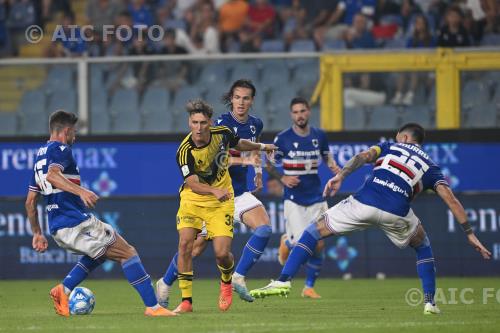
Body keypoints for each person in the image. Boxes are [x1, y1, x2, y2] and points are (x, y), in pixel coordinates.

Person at [251, 123, 491, 314]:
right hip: (397, 212)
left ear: (404, 138)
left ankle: (284, 281)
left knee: (313, 232)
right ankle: (430, 303)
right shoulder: (431, 166)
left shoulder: (389, 146)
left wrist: (340, 176)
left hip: (363, 202)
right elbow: (451, 200)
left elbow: (363, 157)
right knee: (423, 246)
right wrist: (470, 234)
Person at [25, 110, 176, 317]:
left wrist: (36, 232)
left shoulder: (39, 158)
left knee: (98, 255)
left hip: (58, 228)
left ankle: (64, 289)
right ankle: (153, 307)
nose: (75, 137)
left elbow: (30, 201)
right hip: (74, 222)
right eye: (74, 132)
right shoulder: (61, 149)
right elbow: (53, 175)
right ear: (66, 130)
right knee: (128, 252)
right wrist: (82, 191)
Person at [157, 79, 273, 306]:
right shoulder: (219, 124)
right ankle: (166, 281)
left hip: (235, 193)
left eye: (246, 98)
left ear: (252, 101)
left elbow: (250, 147)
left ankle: (237, 277)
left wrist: (258, 171)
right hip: (210, 194)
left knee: (264, 228)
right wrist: (247, 161)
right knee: (195, 248)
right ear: (230, 99)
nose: (241, 102)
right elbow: (219, 160)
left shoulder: (255, 124)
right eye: (237, 97)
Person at [264, 97, 340, 299]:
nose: (300, 115)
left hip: (316, 196)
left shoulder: (319, 135)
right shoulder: (283, 139)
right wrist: (283, 177)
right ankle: (287, 243)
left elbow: (326, 156)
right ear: (291, 115)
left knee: (320, 243)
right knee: (302, 244)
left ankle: (308, 287)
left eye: (303, 111)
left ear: (308, 112)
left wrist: (335, 170)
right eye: (296, 112)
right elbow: (268, 163)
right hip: (294, 198)